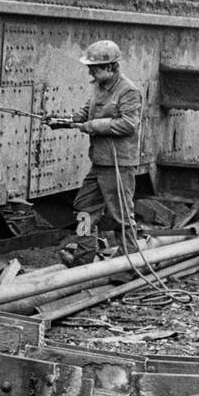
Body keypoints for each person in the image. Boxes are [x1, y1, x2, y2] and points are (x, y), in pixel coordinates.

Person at [46, 40, 143, 250]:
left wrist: (92, 126)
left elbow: (128, 124)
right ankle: (84, 254)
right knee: (83, 208)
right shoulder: (100, 87)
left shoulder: (128, 91)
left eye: (94, 69)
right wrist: (63, 121)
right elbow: (85, 112)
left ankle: (130, 263)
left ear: (111, 67)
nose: (91, 74)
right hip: (100, 161)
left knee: (121, 216)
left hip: (119, 163)